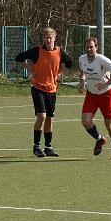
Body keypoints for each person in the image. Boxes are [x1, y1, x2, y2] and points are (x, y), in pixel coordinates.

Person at [14, 27, 74, 157]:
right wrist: (29, 68)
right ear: (43, 39)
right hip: (38, 88)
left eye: (50, 38)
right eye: (46, 38)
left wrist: (60, 73)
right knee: (41, 116)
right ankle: (36, 147)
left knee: (49, 118)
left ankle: (48, 147)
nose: (48, 40)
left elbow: (70, 63)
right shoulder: (37, 51)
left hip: (51, 90)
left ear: (55, 38)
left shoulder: (59, 52)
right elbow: (19, 58)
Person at [78, 36, 111, 160]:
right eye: (87, 47)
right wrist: (81, 83)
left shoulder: (102, 60)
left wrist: (106, 84)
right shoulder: (82, 59)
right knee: (85, 121)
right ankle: (100, 139)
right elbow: (82, 72)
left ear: (96, 47)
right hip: (91, 95)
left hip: (106, 95)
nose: (89, 49)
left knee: (110, 126)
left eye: (91, 47)